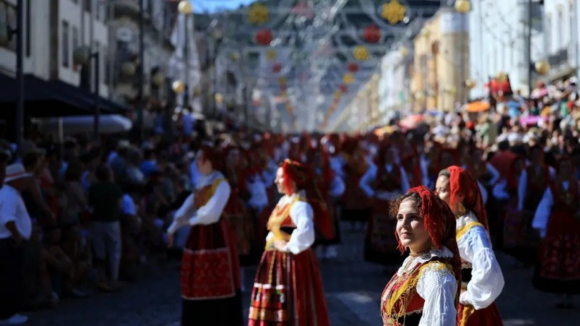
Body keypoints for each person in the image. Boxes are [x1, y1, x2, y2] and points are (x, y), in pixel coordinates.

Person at [167, 144, 243, 326]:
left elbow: (212, 213)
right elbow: (187, 206)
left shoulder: (221, 184)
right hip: (198, 235)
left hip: (215, 234)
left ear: (209, 162)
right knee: (195, 278)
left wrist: (190, 221)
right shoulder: (202, 182)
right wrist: (173, 228)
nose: (196, 163)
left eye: (199, 159)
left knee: (217, 277)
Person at [248, 159, 331, 326]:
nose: (275, 181)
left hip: (291, 262)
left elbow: (306, 232)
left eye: (280, 177)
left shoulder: (299, 205)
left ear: (291, 179)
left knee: (292, 300)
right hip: (276, 261)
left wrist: (287, 247)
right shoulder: (284, 201)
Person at [380, 185, 461, 326]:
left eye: (413, 217)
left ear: (433, 224)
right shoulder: (413, 263)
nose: (403, 224)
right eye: (400, 217)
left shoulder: (435, 274)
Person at [435, 166, 504, 326]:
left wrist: (467, 296)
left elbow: (490, 270)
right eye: (436, 189)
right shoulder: (449, 225)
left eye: (443, 190)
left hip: (467, 312)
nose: (436, 195)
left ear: (459, 194)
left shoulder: (472, 232)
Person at [532, 158, 580, 309]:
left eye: (568, 168)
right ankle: (559, 296)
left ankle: (571, 295)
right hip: (557, 226)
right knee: (556, 259)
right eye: (563, 168)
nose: (566, 171)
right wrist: (542, 230)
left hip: (574, 225)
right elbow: (545, 207)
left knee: (574, 258)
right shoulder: (552, 188)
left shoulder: (578, 187)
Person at [0, 163, 33, 325]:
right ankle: (8, 313)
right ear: (16, 180)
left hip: (7, 240)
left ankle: (8, 312)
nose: (26, 182)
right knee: (11, 278)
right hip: (8, 241)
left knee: (9, 277)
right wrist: (17, 236)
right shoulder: (10, 195)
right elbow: (8, 219)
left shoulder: (7, 193)